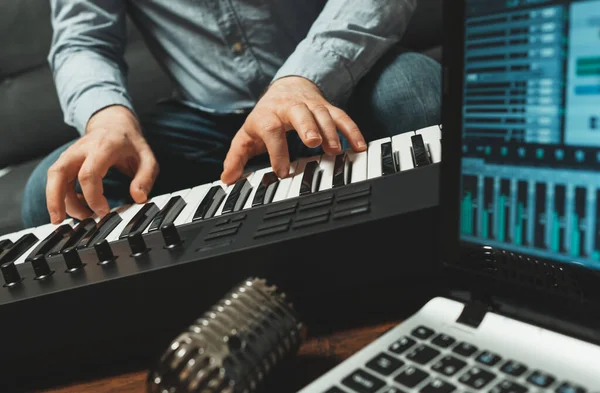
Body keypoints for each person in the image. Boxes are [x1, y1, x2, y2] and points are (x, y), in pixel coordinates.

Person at [22, 0, 441, 228]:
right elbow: (82, 41)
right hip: (204, 124)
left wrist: (303, 78)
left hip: (338, 87)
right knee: (56, 189)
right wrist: (106, 117)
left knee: (418, 95)